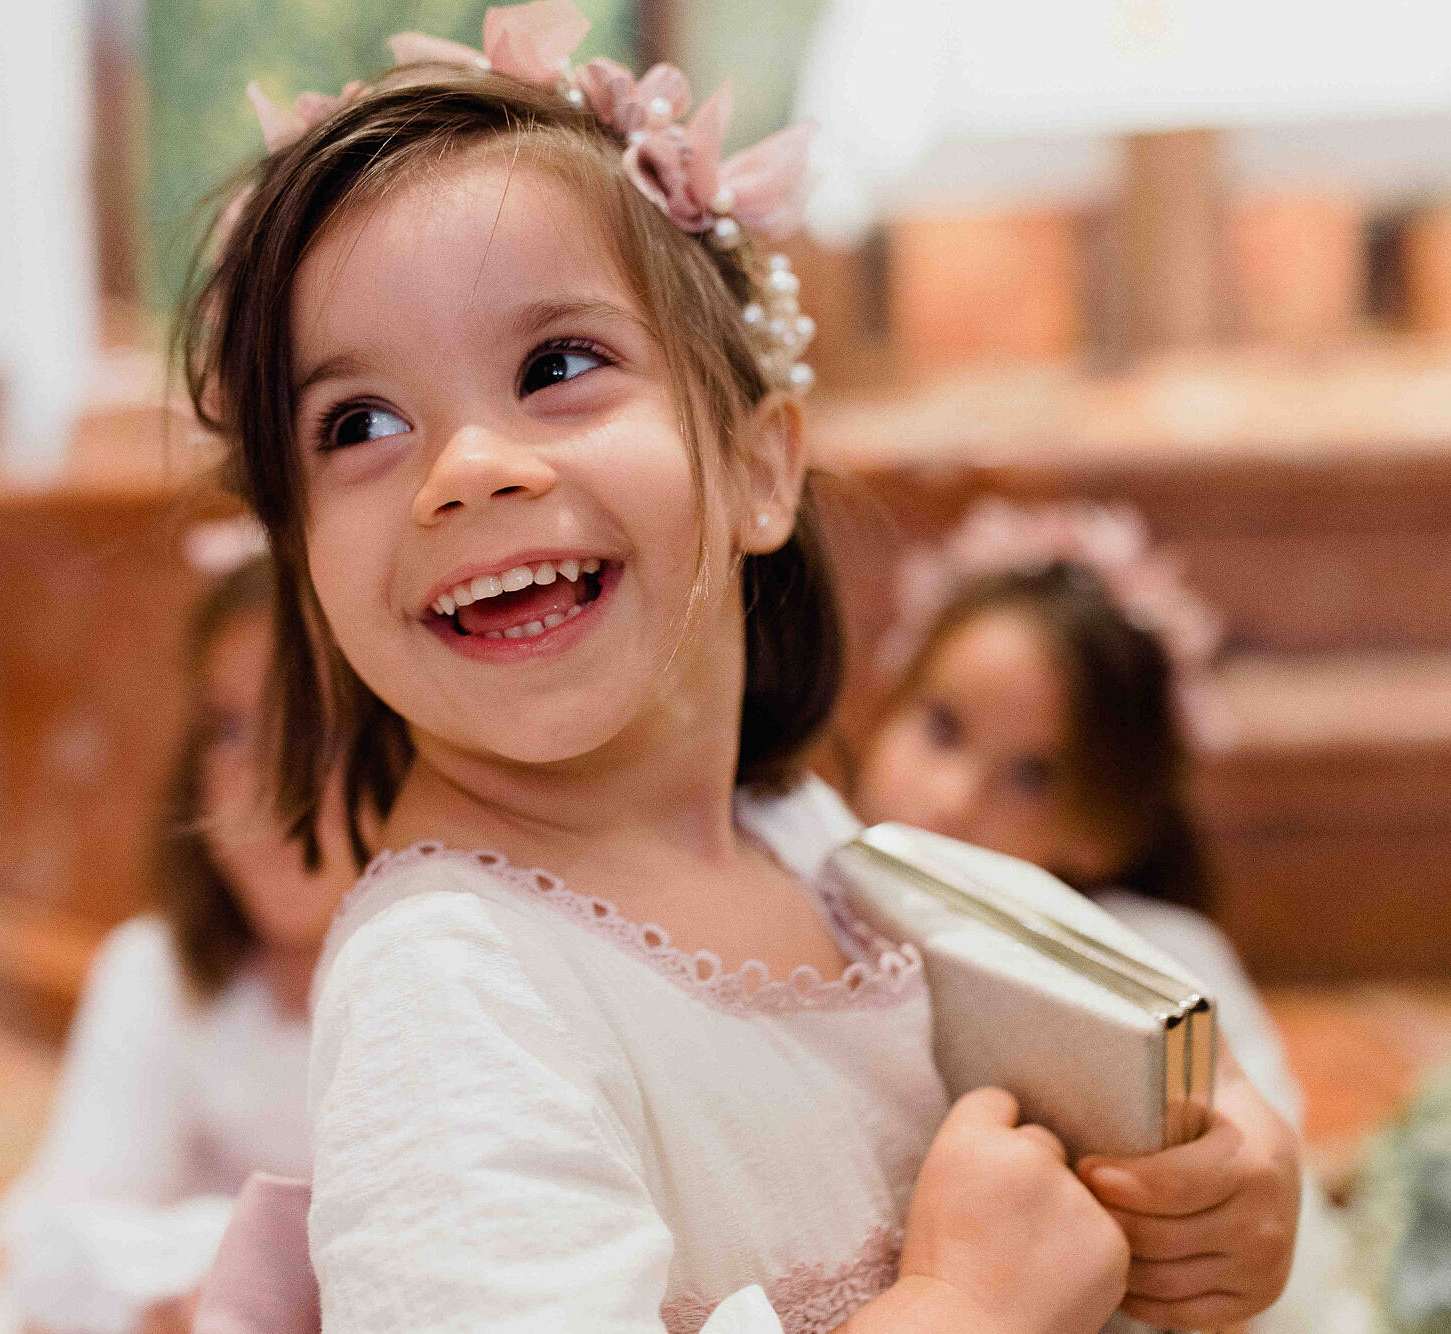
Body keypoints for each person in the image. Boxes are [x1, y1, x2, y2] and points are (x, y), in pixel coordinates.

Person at [183, 5, 1299, 1331]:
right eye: (358, 421)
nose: (467, 469)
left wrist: (1217, 1179)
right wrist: (965, 1307)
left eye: (557, 364)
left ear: (760, 465)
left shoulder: (806, 843)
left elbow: (1083, 1075)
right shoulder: (450, 989)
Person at [850, 498, 1332, 1331]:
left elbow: (1257, 1143)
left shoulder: (1163, 953)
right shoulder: (801, 901)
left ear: (1103, 827)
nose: (953, 798)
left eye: (1033, 776)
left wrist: (1242, 1181)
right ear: (885, 703)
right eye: (942, 727)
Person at [0, 539, 355, 1334]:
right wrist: (173, 1292)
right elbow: (54, 1243)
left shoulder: (461, 986)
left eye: (315, 733)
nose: (265, 787)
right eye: (230, 731)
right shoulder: (155, 969)